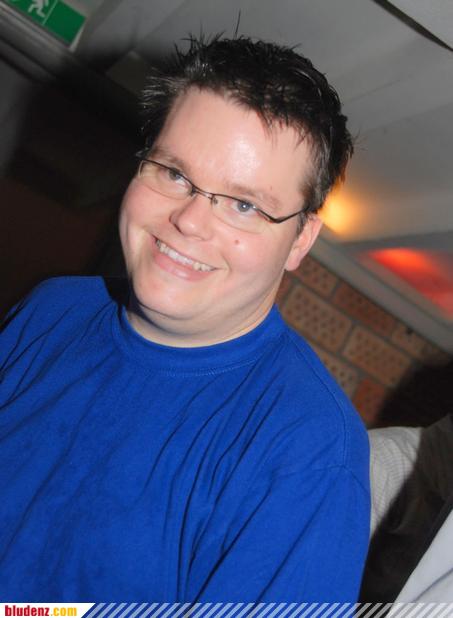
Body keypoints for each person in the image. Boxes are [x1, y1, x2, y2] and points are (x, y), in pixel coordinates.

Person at [0, 35, 370, 601]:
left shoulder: (309, 450)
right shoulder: (51, 309)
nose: (190, 221)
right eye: (174, 173)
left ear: (300, 240)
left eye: (244, 205)